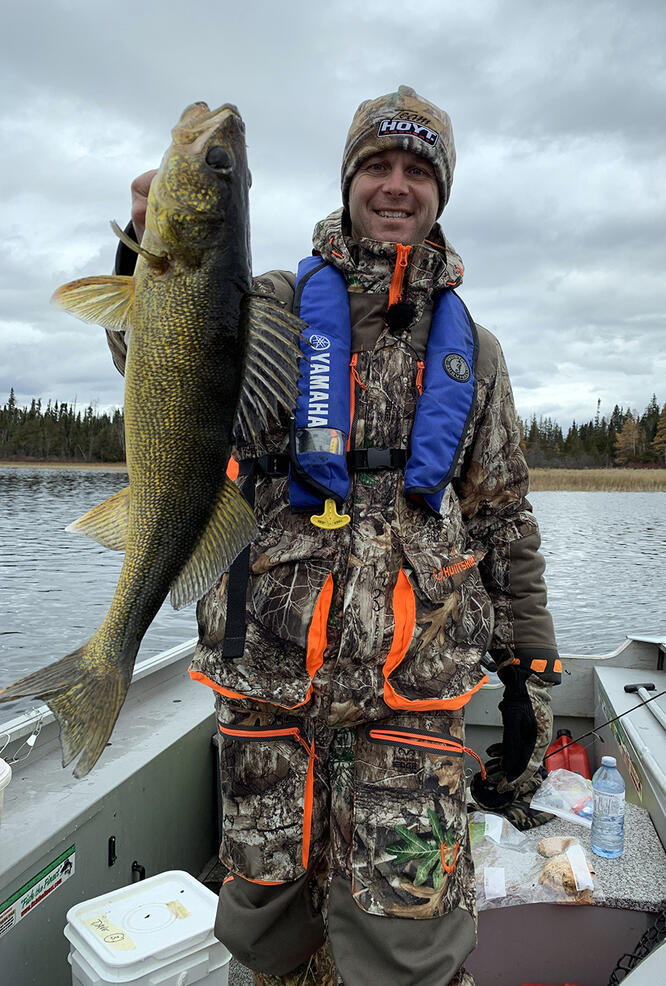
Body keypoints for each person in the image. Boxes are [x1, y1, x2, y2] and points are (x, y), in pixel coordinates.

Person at [111, 85, 560, 986]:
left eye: (417, 171)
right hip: (271, 675)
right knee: (266, 929)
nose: (396, 187)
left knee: (411, 944)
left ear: (440, 193)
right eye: (378, 167)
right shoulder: (269, 299)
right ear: (350, 182)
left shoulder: (479, 352)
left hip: (416, 689)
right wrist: (139, 249)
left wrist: (530, 676)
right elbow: (153, 361)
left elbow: (505, 517)